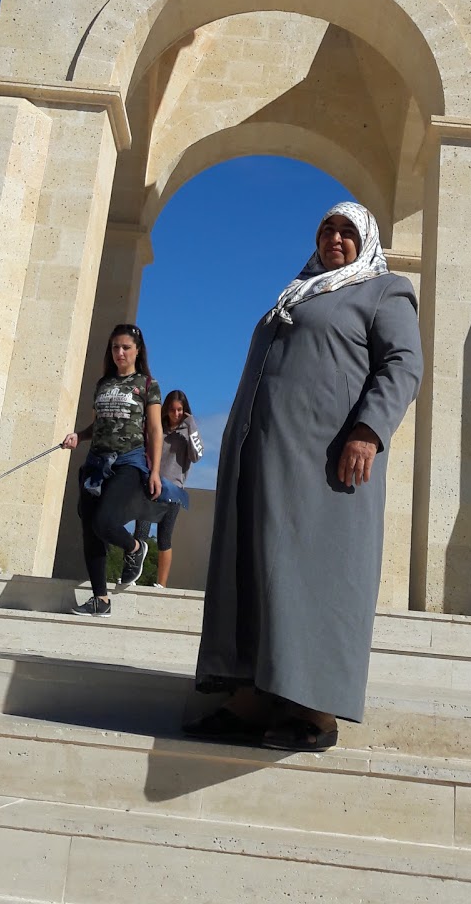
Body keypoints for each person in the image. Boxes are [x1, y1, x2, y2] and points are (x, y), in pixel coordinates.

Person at [186, 201, 422, 751]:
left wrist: (368, 430)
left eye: (347, 231)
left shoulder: (384, 290)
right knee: (256, 567)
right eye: (326, 229)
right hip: (262, 456)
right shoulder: (296, 293)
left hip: (327, 458)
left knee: (316, 573)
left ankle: (315, 710)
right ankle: (250, 694)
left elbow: (404, 363)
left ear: (366, 240)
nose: (335, 238)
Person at [61, 322, 163, 615]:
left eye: (125, 347)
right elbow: (100, 424)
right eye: (115, 347)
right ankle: (100, 600)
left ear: (137, 351)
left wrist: (154, 470)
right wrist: (79, 436)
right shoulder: (103, 384)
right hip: (96, 460)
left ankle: (134, 548)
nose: (119, 352)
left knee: (104, 521)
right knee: (89, 529)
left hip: (128, 461)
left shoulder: (147, 384)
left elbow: (155, 430)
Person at [132, 390, 203, 592]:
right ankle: (130, 576)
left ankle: (161, 584)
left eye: (180, 409)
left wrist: (191, 425)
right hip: (151, 485)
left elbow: (198, 455)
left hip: (174, 490)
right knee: (141, 531)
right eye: (172, 409)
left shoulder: (187, 433)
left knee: (165, 537)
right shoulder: (157, 429)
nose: (176, 413)